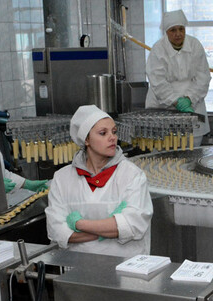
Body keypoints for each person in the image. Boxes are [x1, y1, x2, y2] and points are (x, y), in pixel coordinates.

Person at [45, 105, 153, 256]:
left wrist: (79, 224)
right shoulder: (62, 178)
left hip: (125, 265)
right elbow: (56, 232)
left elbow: (134, 225)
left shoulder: (131, 175)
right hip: (78, 266)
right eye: (103, 133)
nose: (112, 137)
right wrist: (109, 228)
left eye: (114, 132)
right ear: (86, 139)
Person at [144, 9, 211, 147]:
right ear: (166, 32)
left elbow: (203, 77)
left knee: (191, 148)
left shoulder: (195, 45)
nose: (178, 34)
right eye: (173, 30)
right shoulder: (158, 49)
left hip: (193, 105)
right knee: (163, 150)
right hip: (162, 105)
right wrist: (174, 101)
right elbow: (157, 81)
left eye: (181, 29)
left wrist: (189, 99)